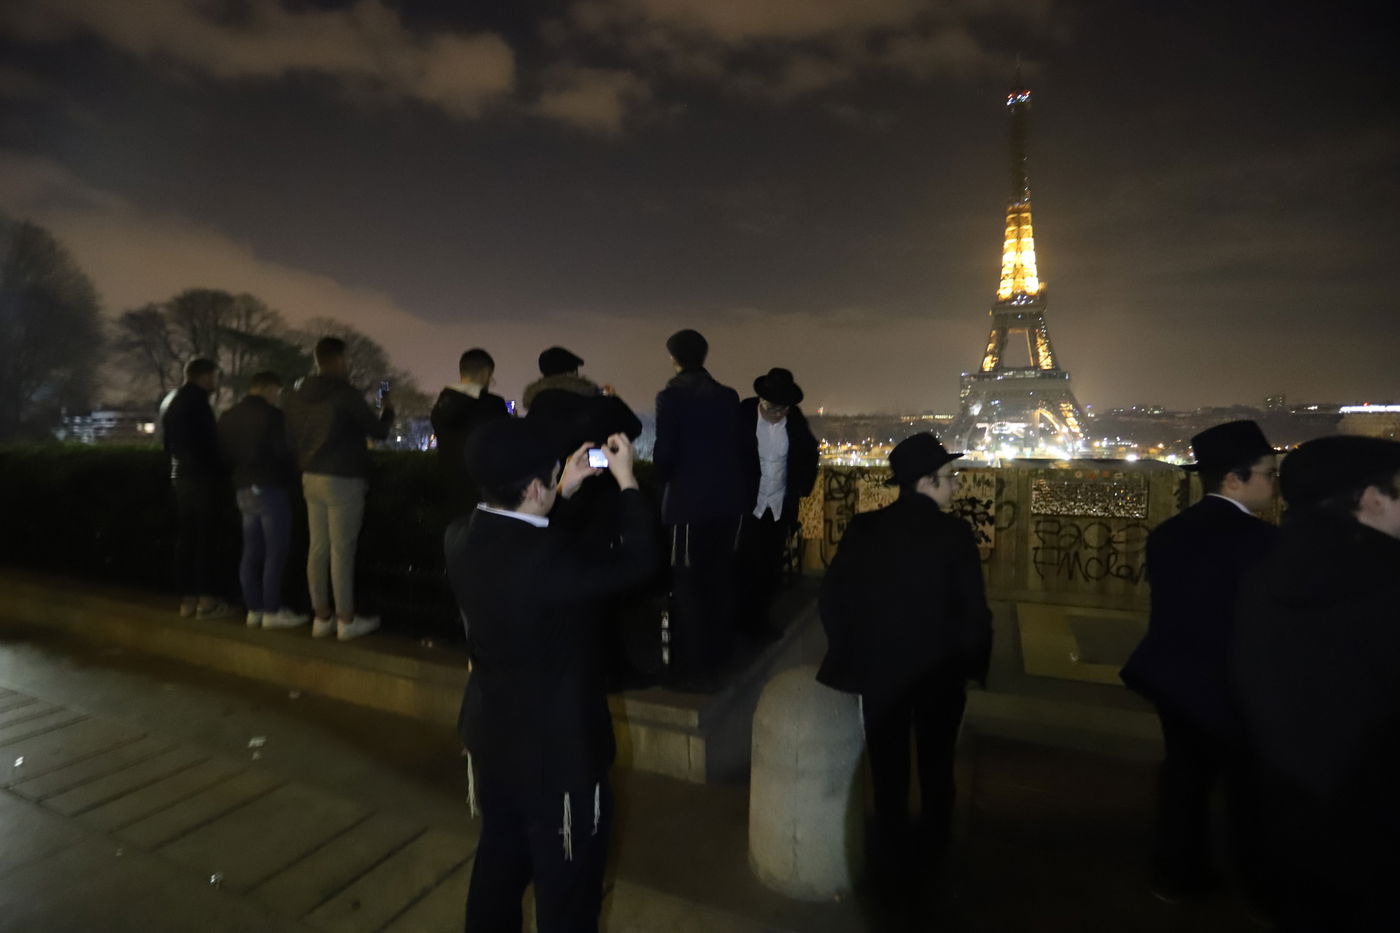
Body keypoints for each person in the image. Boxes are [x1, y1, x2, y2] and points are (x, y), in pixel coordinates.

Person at [444, 419, 656, 933]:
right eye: (552, 476)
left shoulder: (460, 535)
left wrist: (559, 493)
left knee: (499, 867)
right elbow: (642, 561)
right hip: (558, 762)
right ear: (536, 486)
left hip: (492, 739)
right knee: (568, 895)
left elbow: (525, 541)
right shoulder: (553, 563)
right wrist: (627, 480)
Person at [1233, 436, 1400, 931]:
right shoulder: (1386, 586)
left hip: (1286, 823)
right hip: (1377, 832)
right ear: (1369, 498)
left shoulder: (1261, 579)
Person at [1119, 419, 1279, 903]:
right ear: (1234, 478)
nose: (1275, 483)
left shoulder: (1168, 534)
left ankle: (1178, 872)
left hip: (1175, 680)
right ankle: (1256, 884)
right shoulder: (1264, 543)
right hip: (1234, 685)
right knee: (1248, 790)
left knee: (1185, 778)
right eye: (1268, 473)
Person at [817, 434, 991, 868]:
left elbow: (833, 599)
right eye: (949, 477)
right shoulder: (954, 534)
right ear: (927, 481)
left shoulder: (864, 529)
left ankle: (890, 848)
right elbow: (974, 612)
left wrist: (851, 650)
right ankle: (934, 848)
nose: (956, 485)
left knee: (888, 768)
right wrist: (972, 666)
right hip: (940, 675)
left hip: (880, 673)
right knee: (937, 766)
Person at [652, 329, 747, 689]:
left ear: (674, 357)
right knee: (720, 577)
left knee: (688, 581)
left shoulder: (671, 397)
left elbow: (665, 456)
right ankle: (723, 650)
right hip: (727, 502)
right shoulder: (727, 396)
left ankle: (695, 663)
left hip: (688, 505)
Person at [283, 337, 393, 641]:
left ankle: (322, 617)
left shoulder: (295, 395)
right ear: (340, 360)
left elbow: (290, 439)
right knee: (342, 550)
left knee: (317, 548)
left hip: (310, 476)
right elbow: (379, 431)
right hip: (343, 477)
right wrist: (388, 409)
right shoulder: (345, 394)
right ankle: (346, 619)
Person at [217, 371, 308, 631]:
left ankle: (254, 608)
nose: (276, 398)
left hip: (242, 487)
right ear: (269, 389)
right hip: (270, 487)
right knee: (275, 552)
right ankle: (272, 609)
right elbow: (286, 453)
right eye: (276, 393)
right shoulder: (273, 416)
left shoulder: (228, 416)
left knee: (251, 551)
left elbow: (223, 455)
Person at [736, 367, 819, 640]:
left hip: (779, 506)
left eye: (783, 408)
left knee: (770, 567)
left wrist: (800, 488)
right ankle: (742, 621)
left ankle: (760, 620)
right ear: (761, 400)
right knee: (744, 566)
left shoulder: (794, 421)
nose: (778, 413)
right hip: (747, 505)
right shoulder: (742, 416)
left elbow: (809, 454)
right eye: (773, 407)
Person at [160, 358, 235, 620]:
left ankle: (187, 599)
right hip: (203, 479)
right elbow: (210, 446)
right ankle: (207, 600)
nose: (216, 382)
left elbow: (168, 444)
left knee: (187, 538)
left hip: (181, 477)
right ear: (204, 377)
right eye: (214, 377)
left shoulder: (171, 402)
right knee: (207, 539)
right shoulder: (198, 404)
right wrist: (223, 470)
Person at [429, 348, 510, 511]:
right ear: (486, 372)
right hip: (483, 493)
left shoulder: (440, 407)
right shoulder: (492, 405)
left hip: (449, 491)